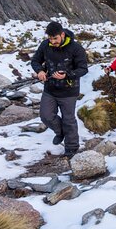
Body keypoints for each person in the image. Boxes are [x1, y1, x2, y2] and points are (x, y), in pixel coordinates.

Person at [31, 21, 88, 158]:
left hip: (69, 90)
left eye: (55, 38)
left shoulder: (75, 48)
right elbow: (35, 61)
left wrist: (67, 75)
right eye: (50, 38)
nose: (53, 41)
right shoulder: (45, 45)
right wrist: (39, 71)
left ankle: (72, 148)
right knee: (46, 115)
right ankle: (60, 131)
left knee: (68, 119)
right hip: (50, 89)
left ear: (62, 34)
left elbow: (83, 69)